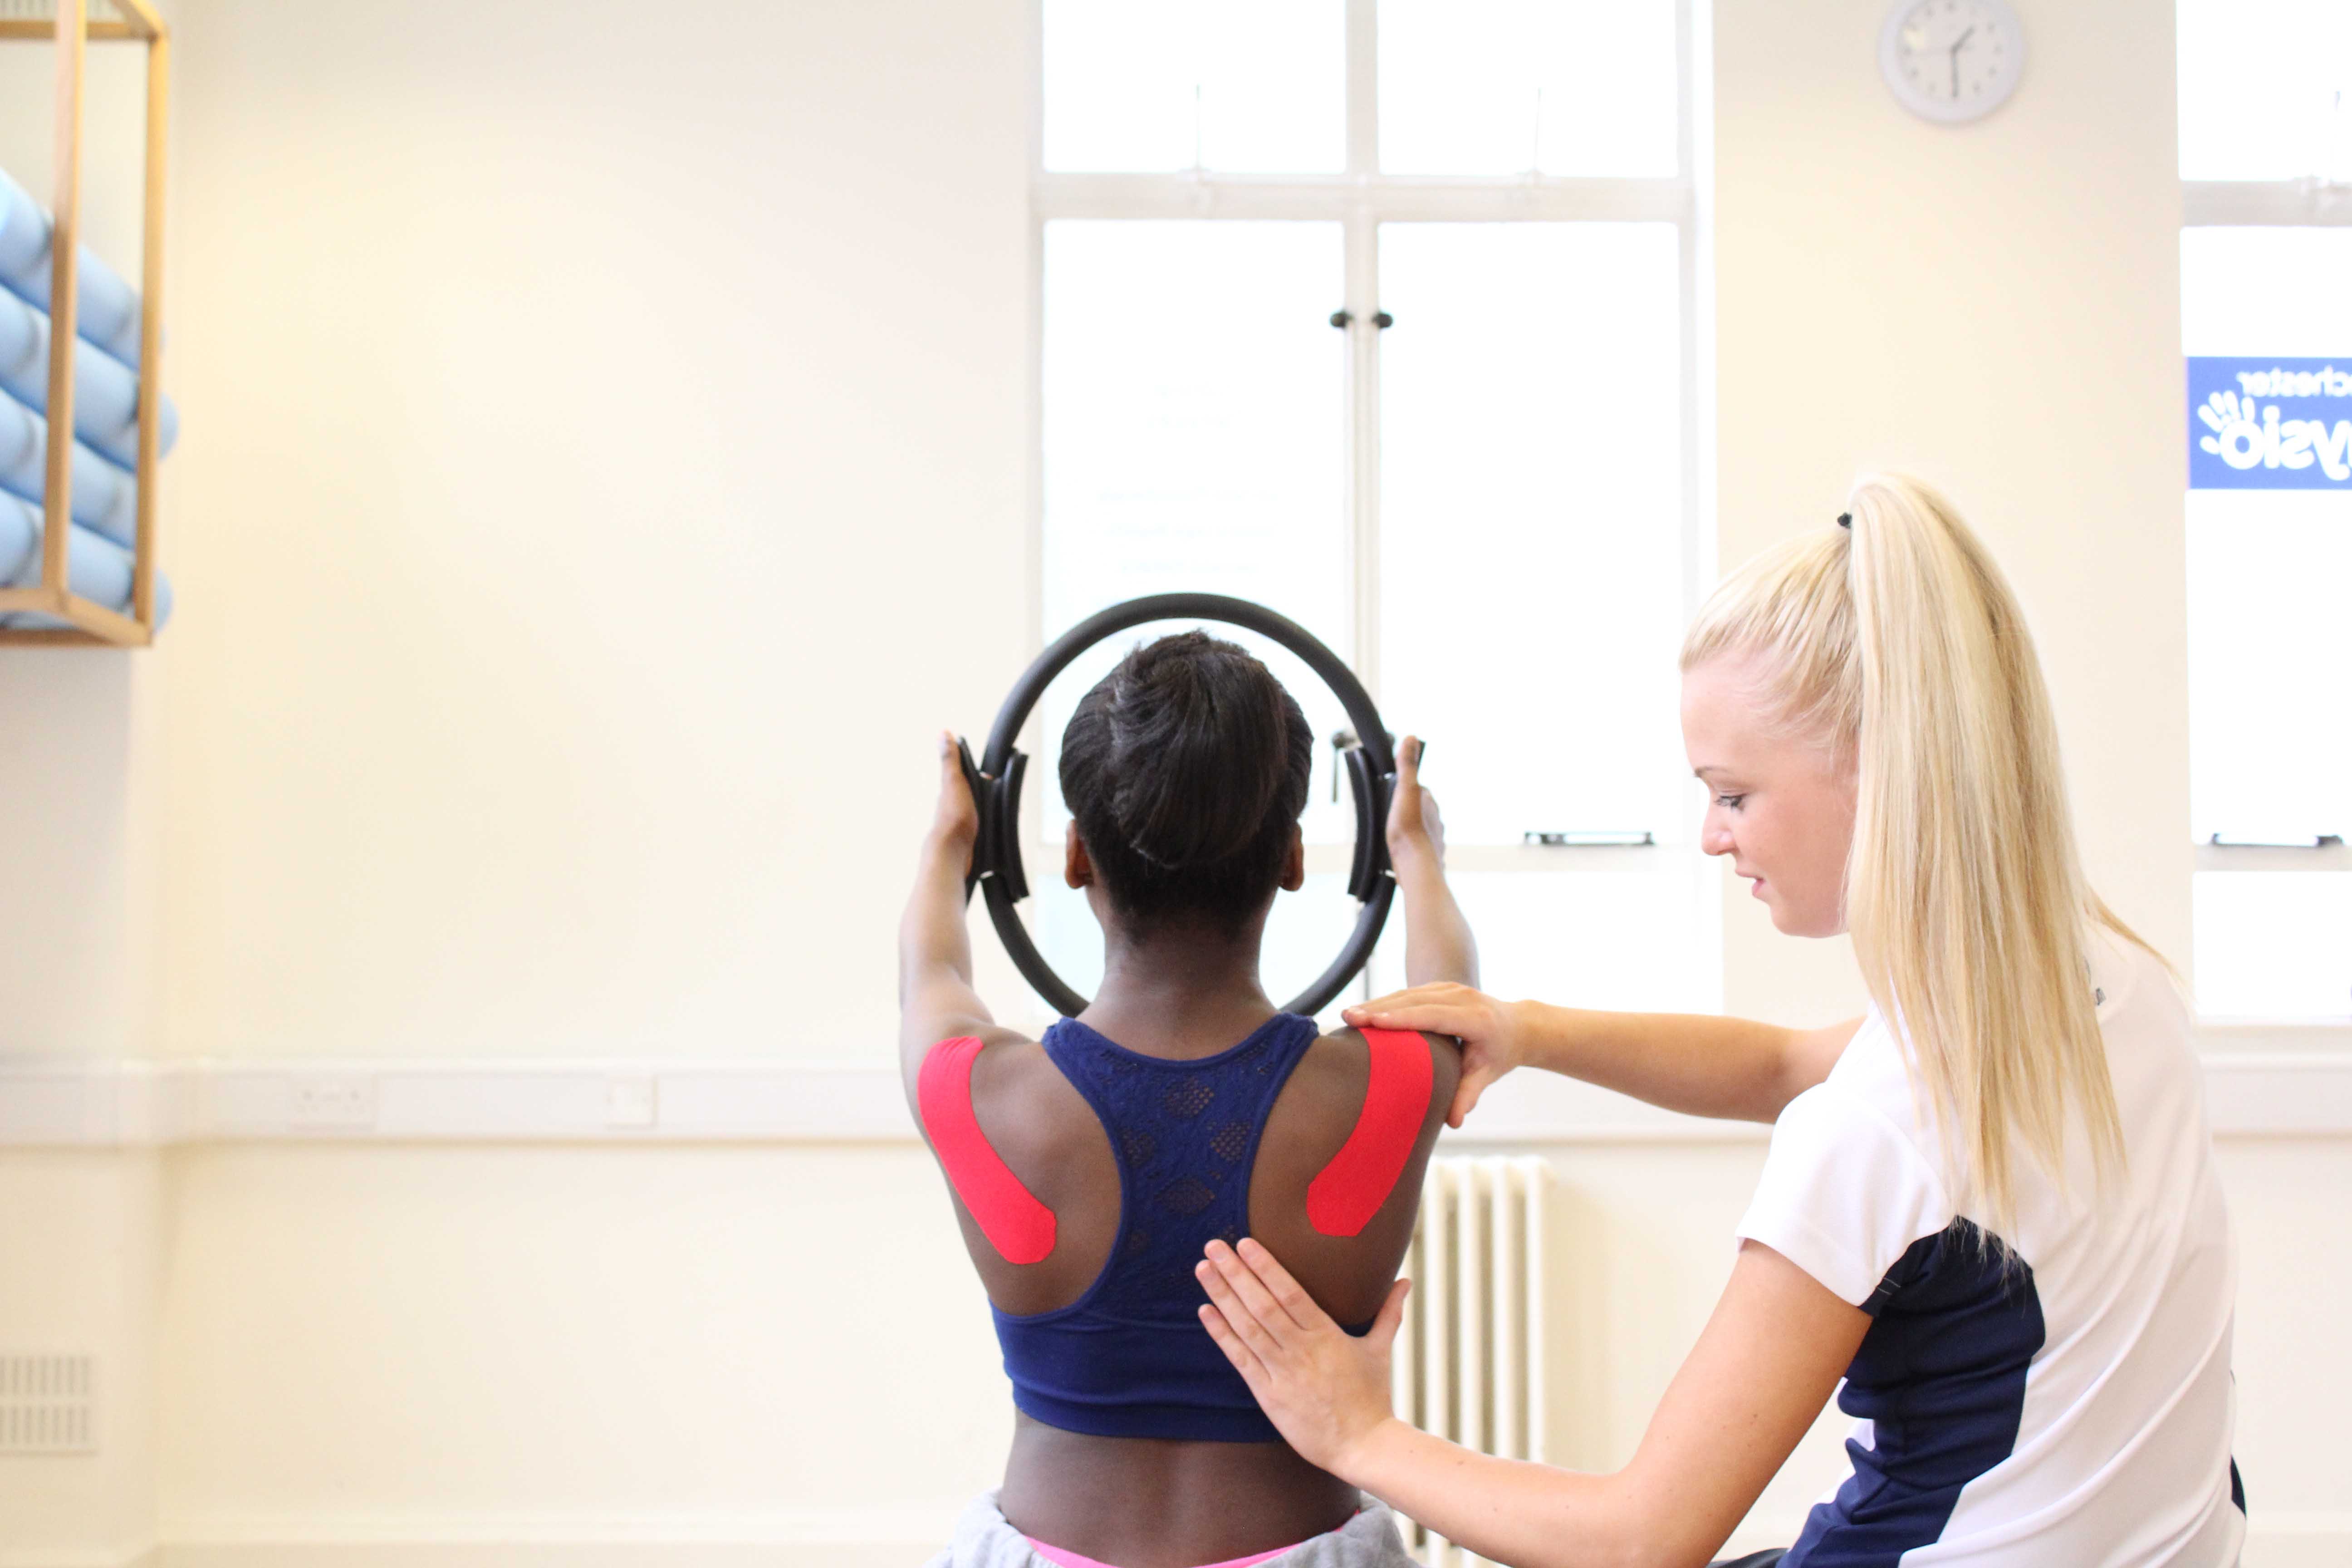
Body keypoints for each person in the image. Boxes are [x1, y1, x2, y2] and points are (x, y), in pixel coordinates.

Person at [1194, 475, 2243, 1568]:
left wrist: (1358, 1434)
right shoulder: (2115, 989)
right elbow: (1789, 1062)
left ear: (1886, 779)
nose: (1711, 836)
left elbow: (1641, 1538)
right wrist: (1533, 1029)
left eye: (1733, 794)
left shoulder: (1881, 1130)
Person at [901, 630, 1475, 1568]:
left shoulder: (980, 1092)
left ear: (1077, 856)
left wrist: (952, 846)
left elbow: (928, 970)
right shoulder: (1386, 1085)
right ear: (1296, 859)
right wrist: (1414, 854)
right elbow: (1452, 988)